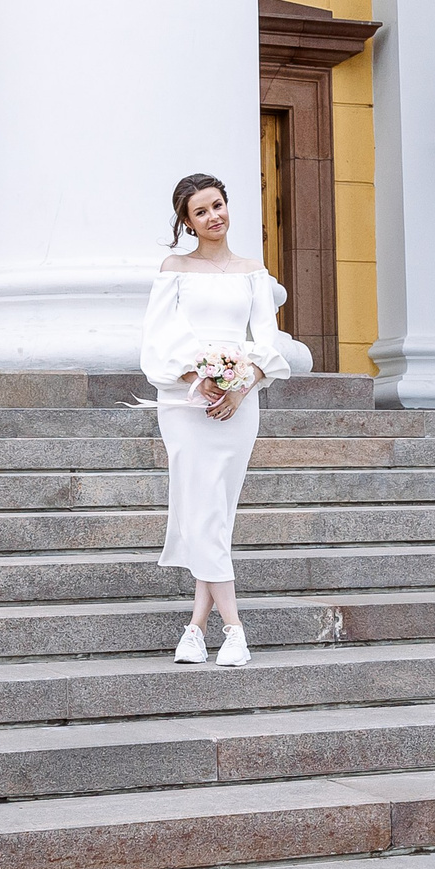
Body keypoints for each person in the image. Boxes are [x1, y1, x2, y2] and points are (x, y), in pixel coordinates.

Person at [139, 171, 298, 666]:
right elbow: (157, 337)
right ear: (187, 223)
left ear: (229, 206)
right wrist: (197, 374)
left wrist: (245, 380)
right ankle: (234, 630)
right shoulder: (174, 267)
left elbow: (267, 339)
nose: (213, 217)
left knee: (217, 514)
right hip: (188, 402)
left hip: (240, 402)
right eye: (200, 212)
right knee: (202, 508)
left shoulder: (253, 271)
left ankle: (194, 629)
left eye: (217, 205)